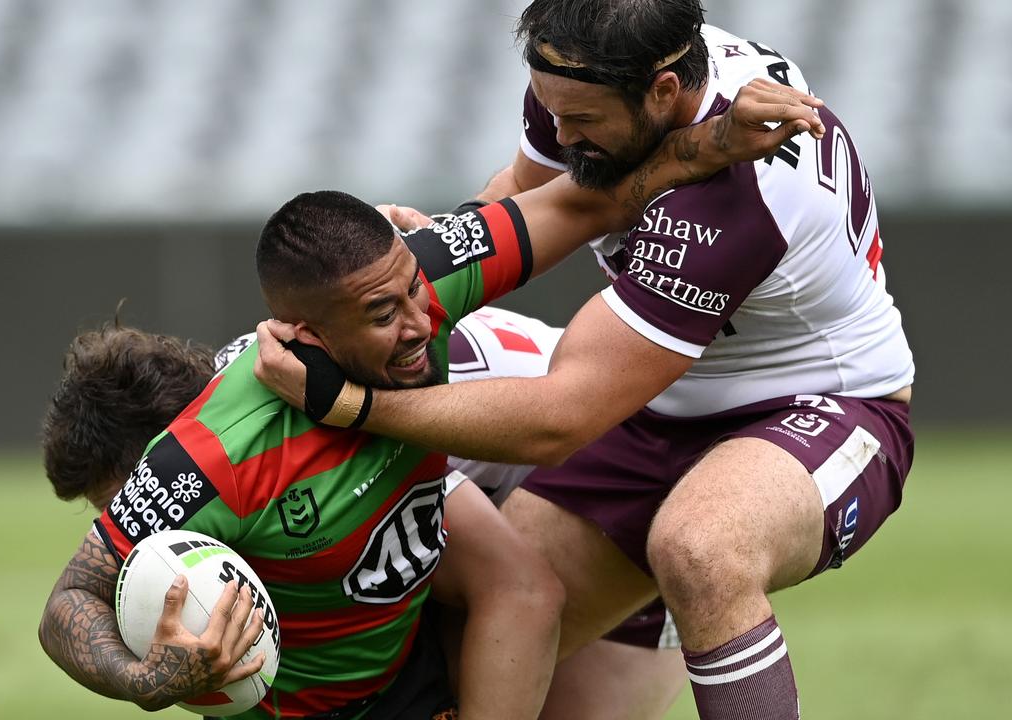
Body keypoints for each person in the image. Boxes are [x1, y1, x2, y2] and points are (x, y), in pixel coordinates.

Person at [37, 87, 826, 720]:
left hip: (531, 551)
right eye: (384, 315)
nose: (422, 323)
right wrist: (145, 676)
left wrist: (714, 142)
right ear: (304, 330)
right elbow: (71, 600)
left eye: (415, 292)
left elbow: (586, 206)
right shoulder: (221, 452)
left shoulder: (424, 279)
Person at [253, 2, 914, 719]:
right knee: (484, 633)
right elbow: (526, 201)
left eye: (583, 121)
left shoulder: (738, 196)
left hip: (821, 407)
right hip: (656, 402)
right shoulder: (588, 77)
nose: (561, 132)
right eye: (550, 110)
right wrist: (418, 262)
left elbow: (560, 420)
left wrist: (352, 405)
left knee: (700, 548)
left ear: (663, 90)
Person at [41, 307, 687, 720]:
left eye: (126, 500)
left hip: (633, 456)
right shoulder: (246, 409)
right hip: (574, 461)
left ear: (170, 448)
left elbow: (521, 588)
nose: (134, 529)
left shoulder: (292, 440)